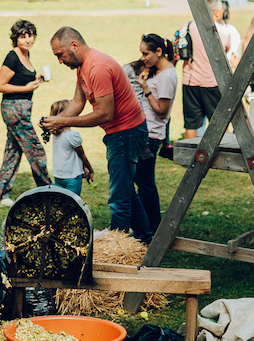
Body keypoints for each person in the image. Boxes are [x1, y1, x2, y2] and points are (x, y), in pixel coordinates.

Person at [42, 27, 151, 242]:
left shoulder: (98, 67)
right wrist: (56, 121)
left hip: (127, 132)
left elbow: (105, 114)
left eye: (60, 55)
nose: (60, 62)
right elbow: (77, 102)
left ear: (74, 45)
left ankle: (116, 248)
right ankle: (145, 238)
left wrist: (63, 121)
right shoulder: (82, 66)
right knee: (126, 190)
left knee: (119, 197)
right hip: (120, 133)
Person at [0, 19, 51, 205]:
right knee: (36, 150)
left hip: (23, 109)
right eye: (23, 36)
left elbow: (20, 81)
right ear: (15, 38)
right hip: (13, 109)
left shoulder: (26, 54)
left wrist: (36, 80)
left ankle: (1, 195)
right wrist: (26, 88)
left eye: (30, 35)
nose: (28, 40)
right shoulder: (13, 56)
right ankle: (49, 192)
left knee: (13, 151)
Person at [134, 34, 178, 232]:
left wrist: (146, 89)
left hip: (151, 135)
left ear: (158, 52)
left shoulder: (168, 76)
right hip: (145, 131)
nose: (143, 58)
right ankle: (148, 226)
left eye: (146, 53)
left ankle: (153, 229)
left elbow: (162, 111)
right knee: (143, 183)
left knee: (145, 185)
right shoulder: (158, 71)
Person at [181, 0, 230, 139]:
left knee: (191, 124)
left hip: (190, 80)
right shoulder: (222, 31)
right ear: (216, 13)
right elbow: (225, 51)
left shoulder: (188, 26)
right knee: (220, 124)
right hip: (212, 81)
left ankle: (189, 156)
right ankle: (221, 153)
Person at [48, 99, 94, 195]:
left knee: (60, 204)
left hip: (58, 175)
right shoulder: (72, 136)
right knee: (74, 204)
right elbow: (81, 154)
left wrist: (82, 168)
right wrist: (90, 169)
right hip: (72, 177)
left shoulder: (56, 134)